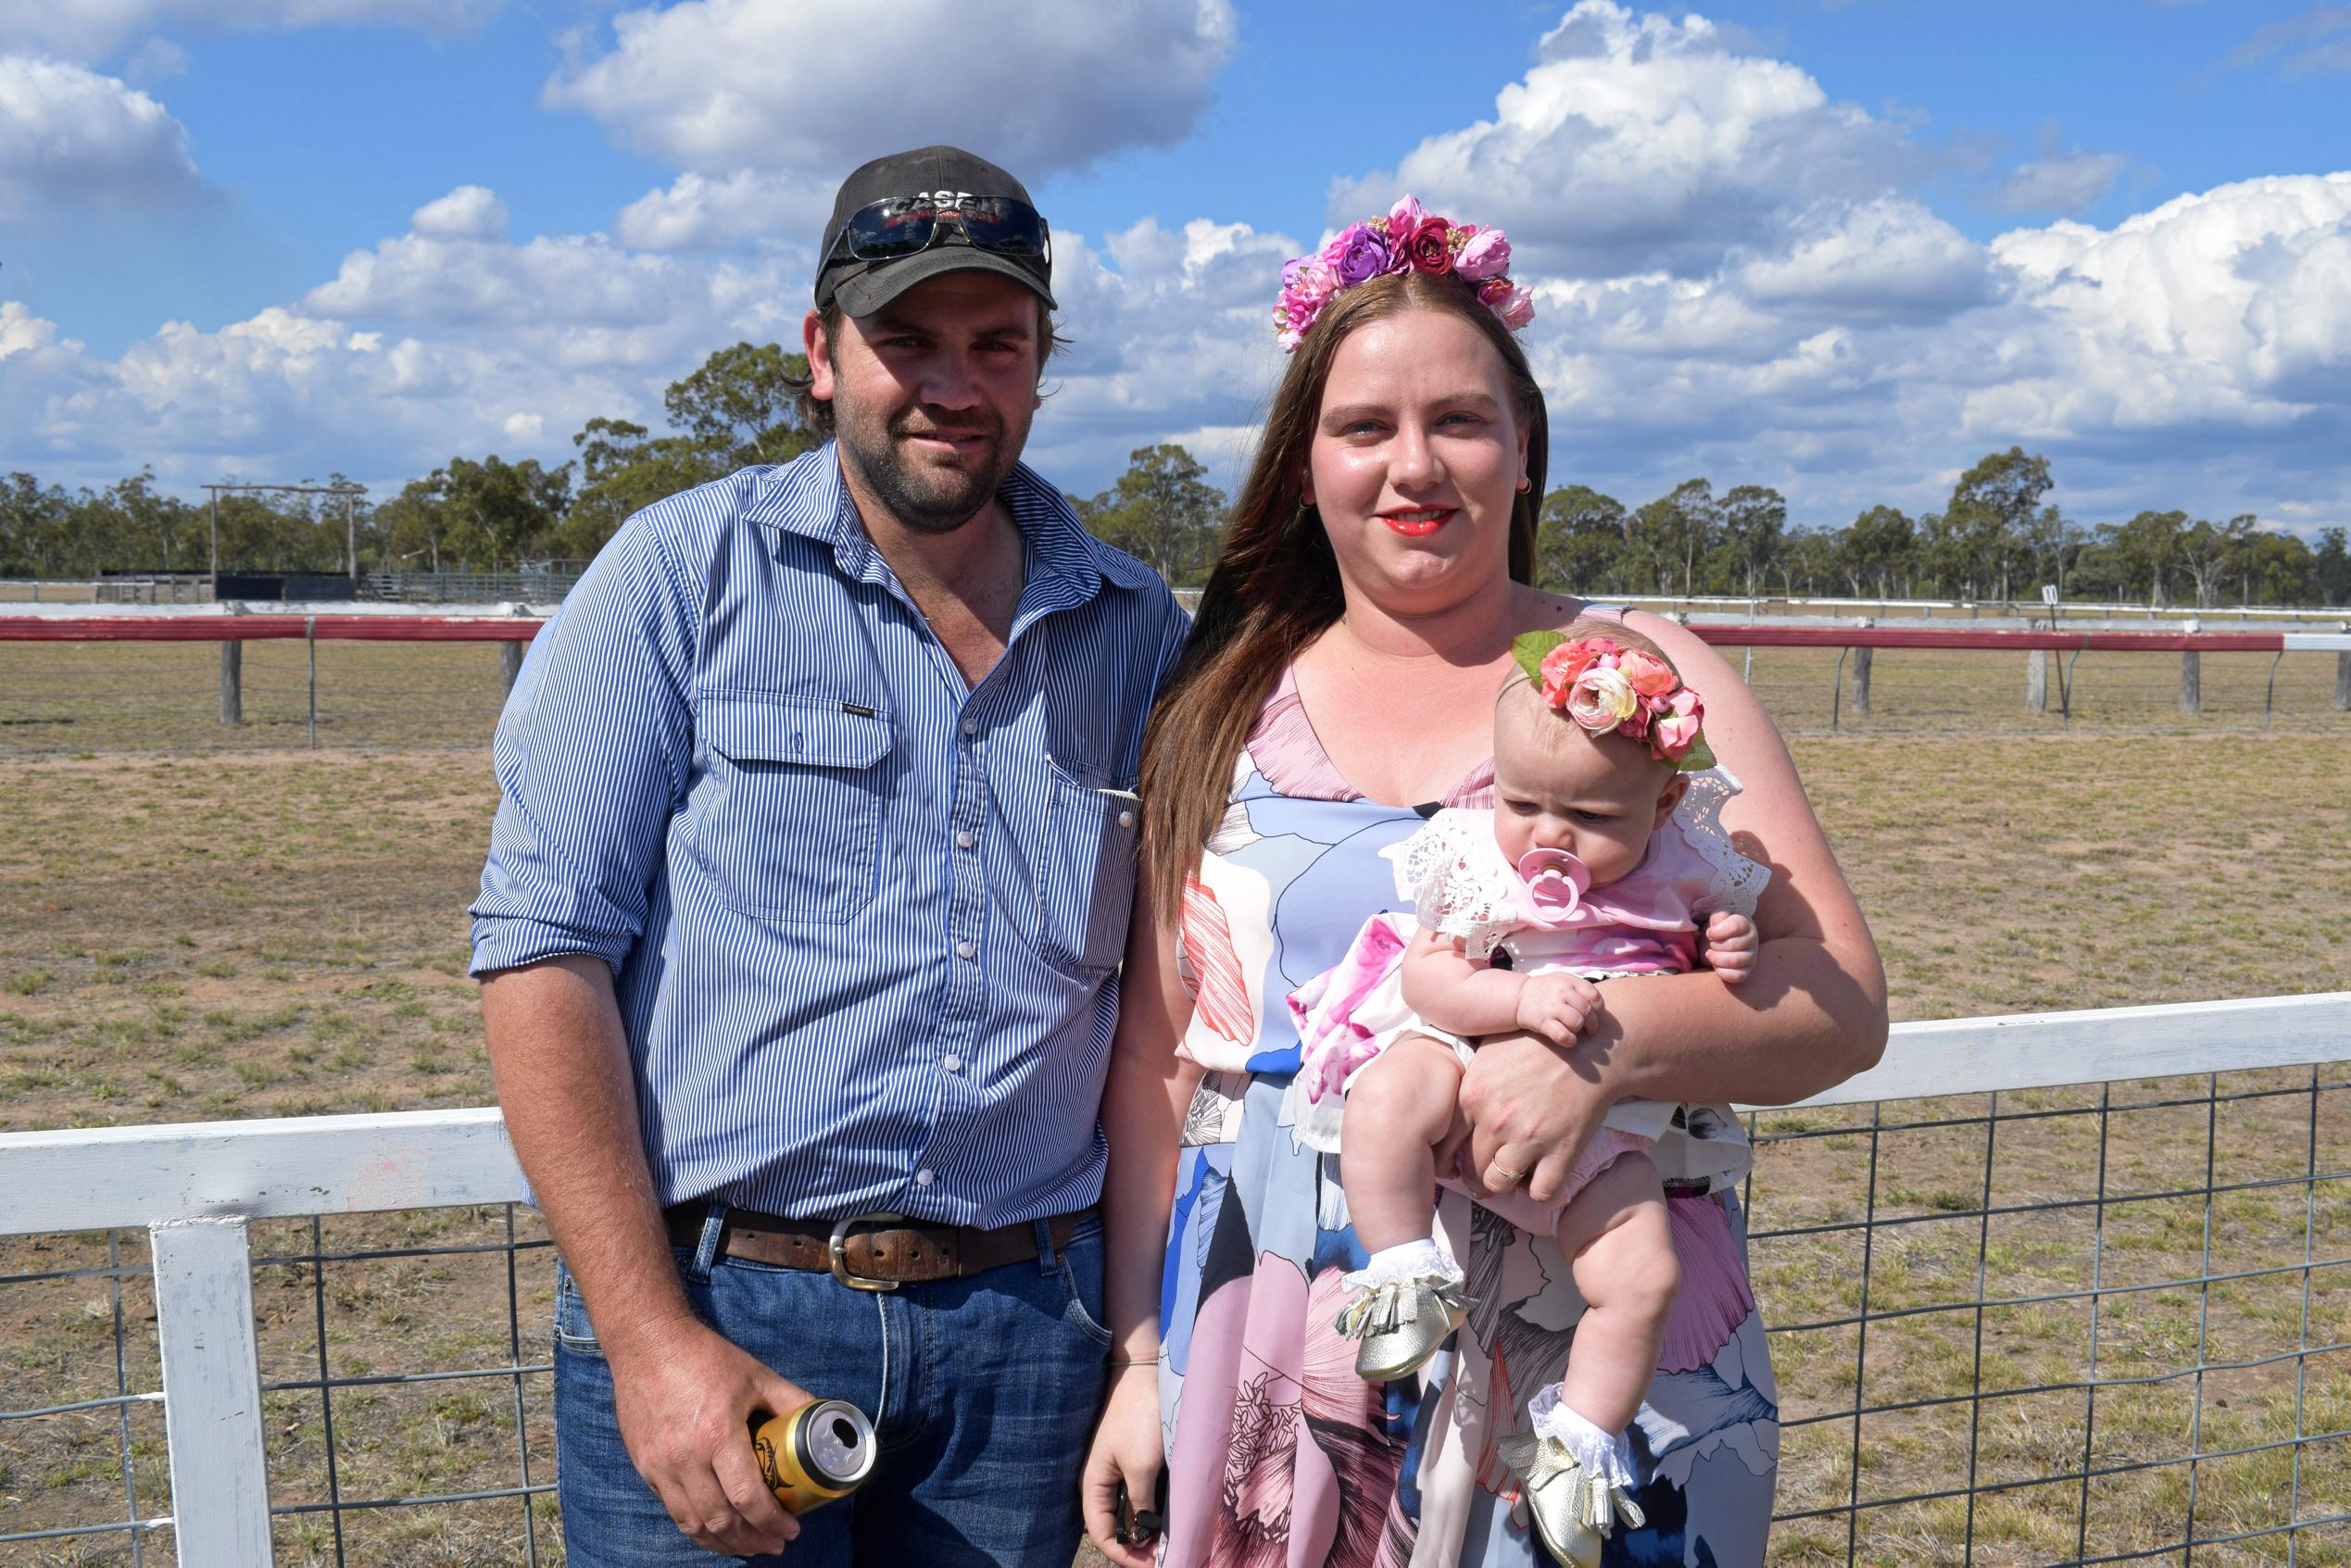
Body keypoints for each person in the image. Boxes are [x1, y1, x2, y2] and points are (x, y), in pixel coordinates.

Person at [1081, 198, 1887, 1568]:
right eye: (1362, 428)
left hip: (1598, 1324)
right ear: (1302, 468)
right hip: (1290, 1319)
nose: (1415, 467)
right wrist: (1143, 1357)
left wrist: (1599, 1054)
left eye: (1459, 421)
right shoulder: (1218, 706)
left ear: (1523, 453)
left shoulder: (1638, 676)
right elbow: (1163, 1060)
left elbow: (1838, 1004)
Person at [471, 144, 1188, 1567]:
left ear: (1040, 365)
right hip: (729, 1307)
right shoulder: (681, 576)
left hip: (1029, 1334)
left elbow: (1161, 1014)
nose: (952, 382)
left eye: (997, 343)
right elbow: (542, 955)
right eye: (903, 340)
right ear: (821, 351)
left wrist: (1137, 1353)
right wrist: (647, 1337)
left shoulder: (1136, 632)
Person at [1291, 621, 1765, 1564]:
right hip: (1459, 1044)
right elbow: (1429, 981)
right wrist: (1514, 996)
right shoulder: (1476, 857)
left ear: (1666, 801)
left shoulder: (1687, 868)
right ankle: (1401, 1275)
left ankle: (1578, 1443)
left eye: (1590, 816)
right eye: (1524, 800)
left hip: (1605, 1120)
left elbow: (1719, 966)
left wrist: (1727, 944)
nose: (1549, 833)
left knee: (1643, 1280)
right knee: (1386, 1103)